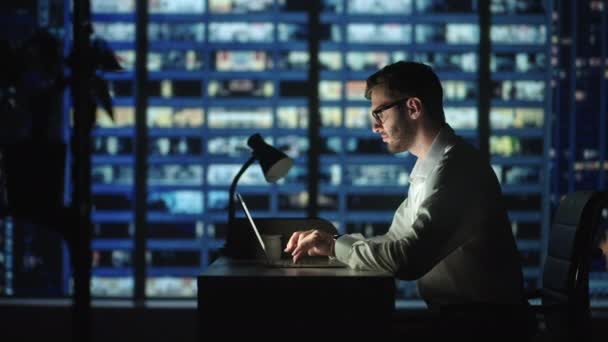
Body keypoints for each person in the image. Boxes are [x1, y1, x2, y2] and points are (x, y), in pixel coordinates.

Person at [284, 61, 533, 338]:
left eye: (380, 113)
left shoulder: (455, 170)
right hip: (461, 321)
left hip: (483, 327)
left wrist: (334, 247)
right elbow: (395, 240)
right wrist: (334, 244)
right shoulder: (430, 167)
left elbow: (407, 259)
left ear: (413, 107)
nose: (375, 126)